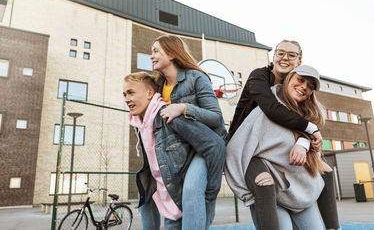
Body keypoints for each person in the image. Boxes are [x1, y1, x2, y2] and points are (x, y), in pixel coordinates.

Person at [228, 40, 340, 230]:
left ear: (299, 61)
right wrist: (310, 129)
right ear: (274, 56)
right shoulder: (262, 80)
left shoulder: (300, 101)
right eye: (280, 53)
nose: (284, 58)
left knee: (325, 171)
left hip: (279, 159)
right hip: (249, 151)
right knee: (265, 184)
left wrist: (304, 142)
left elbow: (301, 125)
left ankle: (333, 226)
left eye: (291, 55)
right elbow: (272, 109)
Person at [123, 72, 225, 229]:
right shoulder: (140, 124)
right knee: (143, 188)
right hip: (166, 200)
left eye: (131, 93)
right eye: (124, 94)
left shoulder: (168, 116)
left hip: (181, 201)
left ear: (150, 93)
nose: (127, 99)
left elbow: (216, 144)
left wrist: (209, 195)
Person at [150, 34, 227, 229]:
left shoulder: (195, 78)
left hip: (205, 146)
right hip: (180, 150)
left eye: (156, 51)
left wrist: (183, 108)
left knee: (193, 190)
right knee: (175, 200)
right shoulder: (158, 86)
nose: (151, 56)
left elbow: (216, 117)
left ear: (172, 54)